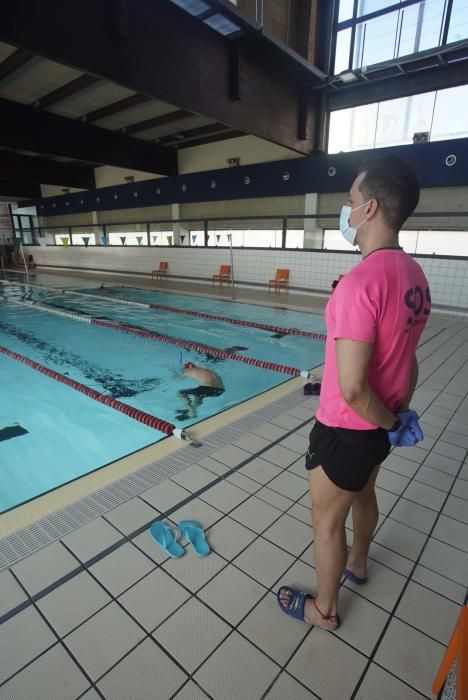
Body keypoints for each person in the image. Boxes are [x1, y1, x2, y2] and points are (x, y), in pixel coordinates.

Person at [278, 154, 431, 630]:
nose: (346, 210)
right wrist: (397, 416)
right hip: (382, 424)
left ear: (369, 210)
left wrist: (385, 422)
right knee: (363, 494)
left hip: (349, 428)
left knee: (326, 523)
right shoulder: (415, 277)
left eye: (350, 201)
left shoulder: (359, 283)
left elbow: (350, 388)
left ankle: (324, 610)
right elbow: (408, 357)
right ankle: (359, 562)